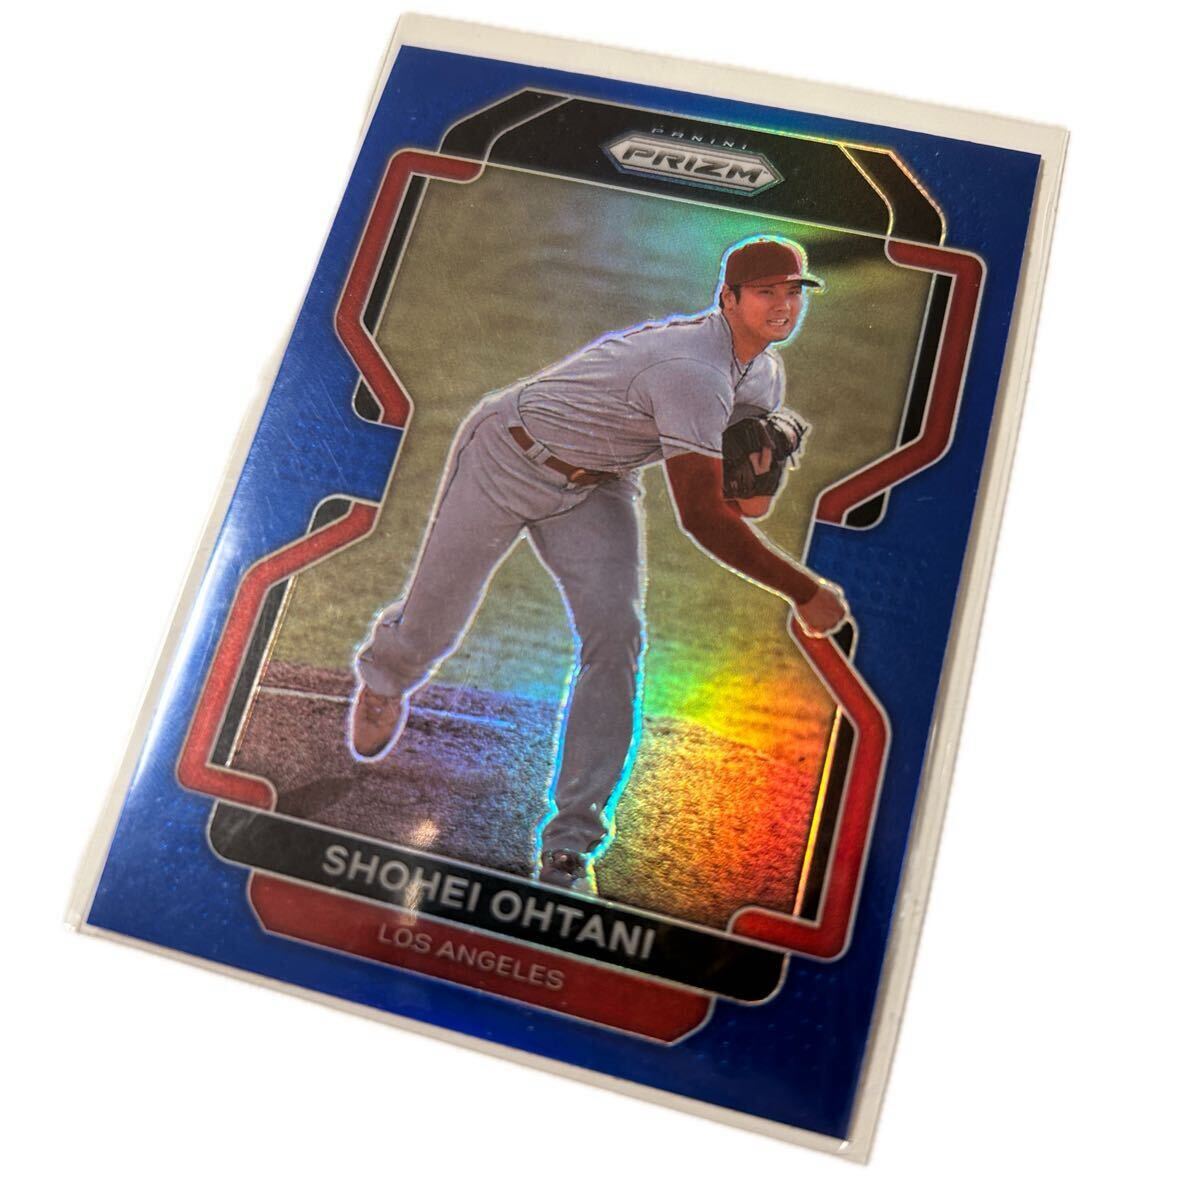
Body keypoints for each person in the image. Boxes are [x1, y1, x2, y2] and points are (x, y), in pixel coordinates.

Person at [348, 236, 849, 894]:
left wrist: (758, 474)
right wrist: (803, 590)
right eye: (766, 292)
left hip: (598, 487)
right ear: (727, 299)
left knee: (616, 634)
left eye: (793, 292)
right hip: (506, 454)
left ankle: (570, 843)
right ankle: (387, 678)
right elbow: (703, 518)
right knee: (434, 622)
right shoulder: (690, 371)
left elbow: (741, 503)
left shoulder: (764, 376)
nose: (783, 305)